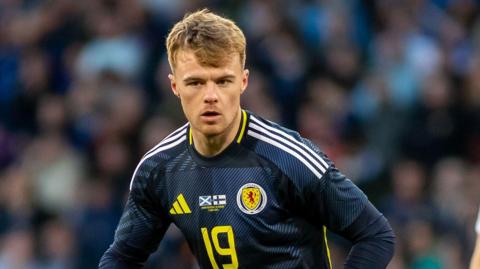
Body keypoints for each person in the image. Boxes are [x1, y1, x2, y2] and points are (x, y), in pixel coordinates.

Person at [99, 9, 395, 268]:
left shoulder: (288, 158)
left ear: (243, 81)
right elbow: (122, 257)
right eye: (195, 82)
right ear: (175, 86)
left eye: (223, 80)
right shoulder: (158, 169)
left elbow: (375, 235)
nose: (210, 96)